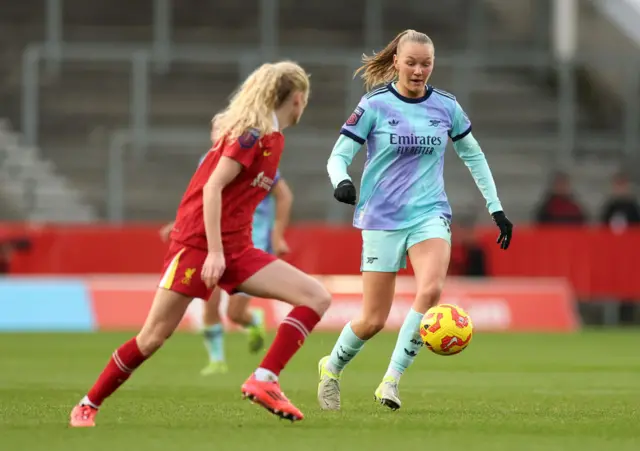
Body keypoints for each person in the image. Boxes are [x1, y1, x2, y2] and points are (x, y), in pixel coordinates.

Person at [69, 61, 330, 427]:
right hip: (198, 247)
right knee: (154, 336)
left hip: (238, 247)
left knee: (316, 297)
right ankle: (87, 404)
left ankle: (265, 379)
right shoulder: (250, 136)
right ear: (298, 98)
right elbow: (212, 187)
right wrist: (214, 252)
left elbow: (220, 188)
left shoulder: (272, 139)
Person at [317, 29, 513, 411]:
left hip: (429, 214)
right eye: (411, 63)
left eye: (426, 64)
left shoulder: (446, 107)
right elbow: (337, 156)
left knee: (430, 290)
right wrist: (341, 181)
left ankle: (390, 382)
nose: (419, 70)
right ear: (396, 63)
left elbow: (474, 155)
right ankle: (332, 369)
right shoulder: (373, 105)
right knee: (373, 319)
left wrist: (496, 207)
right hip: (381, 218)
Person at [159, 169, 293, 375]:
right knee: (209, 300)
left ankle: (252, 320)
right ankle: (217, 361)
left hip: (250, 244)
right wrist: (180, 224)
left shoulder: (258, 157)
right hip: (213, 242)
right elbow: (200, 198)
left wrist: (277, 235)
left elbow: (284, 195)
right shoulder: (208, 160)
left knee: (235, 313)